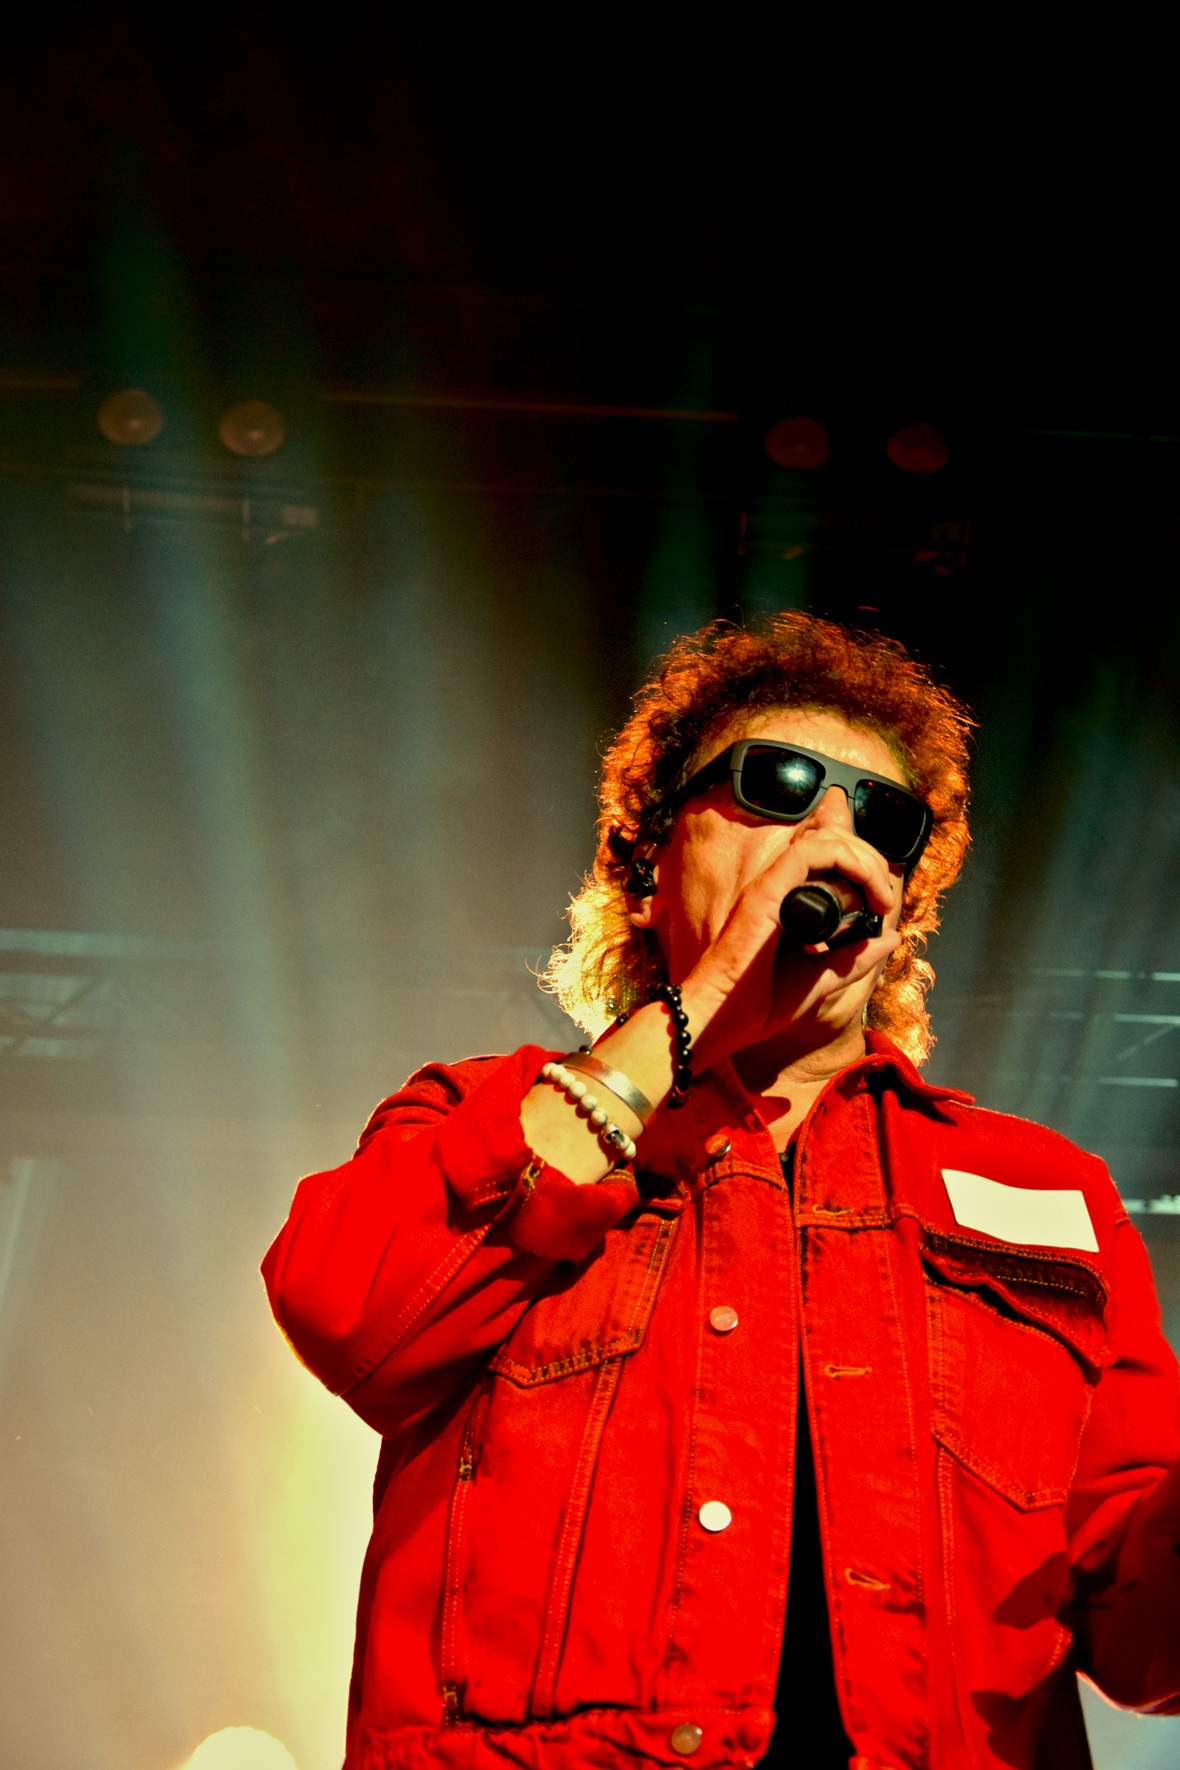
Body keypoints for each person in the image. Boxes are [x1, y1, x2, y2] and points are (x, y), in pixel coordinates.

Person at [263, 613, 1180, 1770]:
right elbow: (350, 1315)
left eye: (881, 819)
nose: (831, 835)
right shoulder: (480, 1113)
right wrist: (701, 1008)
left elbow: (1143, 1645)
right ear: (646, 868)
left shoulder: (1046, 1188)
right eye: (776, 784)